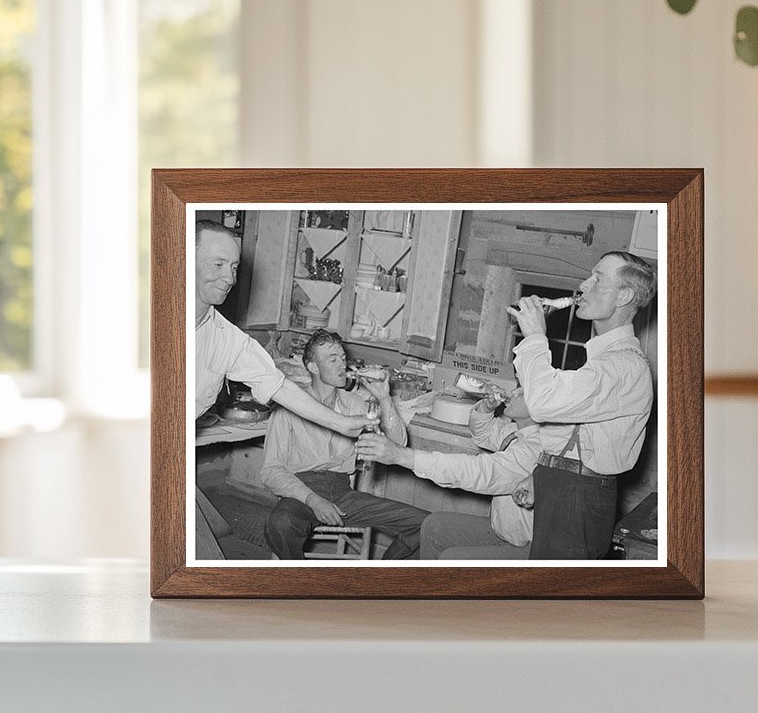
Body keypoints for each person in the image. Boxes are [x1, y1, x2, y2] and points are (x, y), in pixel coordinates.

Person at [193, 221, 366, 559]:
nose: (229, 278)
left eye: (233, 267)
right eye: (217, 265)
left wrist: (341, 423)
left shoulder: (226, 338)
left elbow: (278, 384)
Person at [506, 251, 656, 560]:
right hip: (564, 486)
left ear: (624, 296)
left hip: (579, 494)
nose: (583, 285)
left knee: (553, 603)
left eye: (598, 279)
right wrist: (544, 474)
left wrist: (535, 336)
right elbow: (581, 432)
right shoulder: (604, 359)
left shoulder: (624, 365)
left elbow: (542, 403)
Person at [261, 330, 428, 560]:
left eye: (343, 358)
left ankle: (375, 581)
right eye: (332, 359)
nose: (343, 365)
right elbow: (270, 471)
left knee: (425, 524)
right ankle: (300, 582)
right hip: (300, 493)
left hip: (342, 494)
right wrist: (314, 500)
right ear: (313, 367)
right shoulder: (290, 406)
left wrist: (384, 397)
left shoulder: (356, 404)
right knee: (279, 524)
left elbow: (398, 444)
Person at [356, 388, 543, 559]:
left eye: (522, 392)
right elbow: (484, 434)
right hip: (502, 530)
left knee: (452, 559)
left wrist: (403, 456)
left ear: (539, 405)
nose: (513, 393)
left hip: (529, 547)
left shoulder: (534, 448)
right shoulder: (517, 432)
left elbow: (481, 472)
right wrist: (485, 410)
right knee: (433, 525)